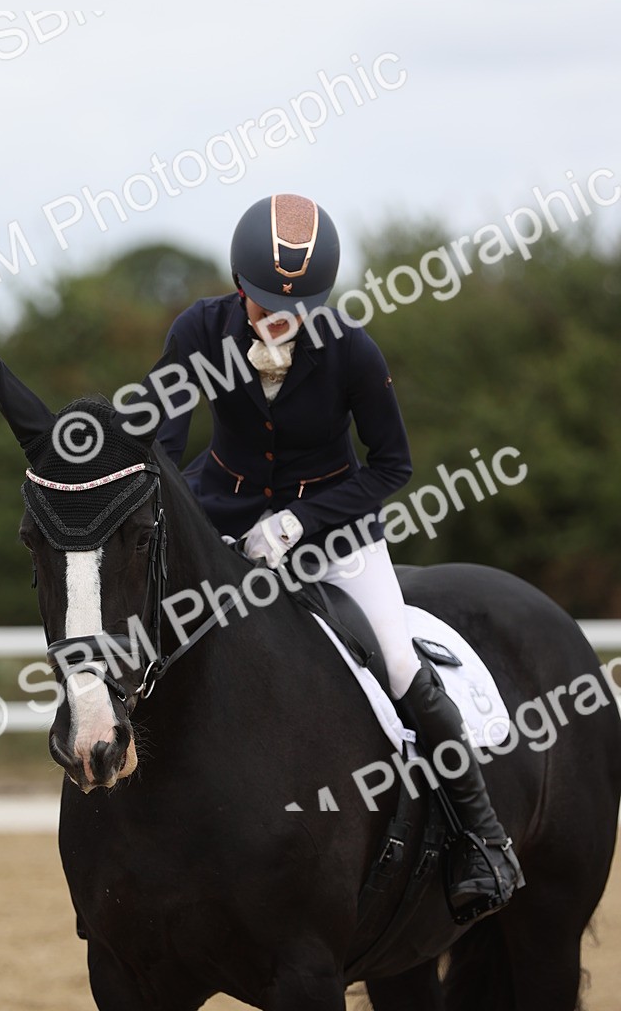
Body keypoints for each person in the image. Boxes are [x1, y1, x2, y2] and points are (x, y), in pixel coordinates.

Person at [157, 192, 523, 918]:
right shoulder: (197, 331)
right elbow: (162, 447)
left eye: (298, 305)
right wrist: (186, 526)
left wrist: (297, 523)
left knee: (397, 660)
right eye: (265, 304)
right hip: (220, 512)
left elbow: (392, 467)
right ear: (240, 289)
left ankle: (483, 839)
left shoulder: (352, 350)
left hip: (333, 532)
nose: (281, 318)